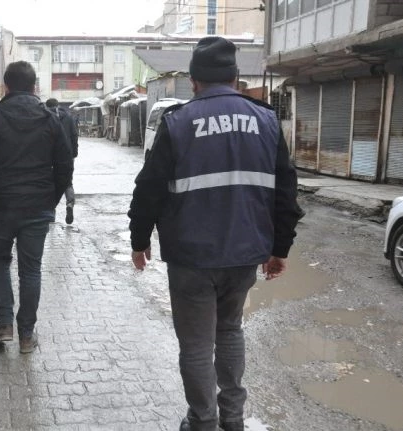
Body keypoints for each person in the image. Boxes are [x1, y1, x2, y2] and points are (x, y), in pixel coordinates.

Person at [128, 37, 300, 431]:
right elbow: (286, 191)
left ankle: (203, 421)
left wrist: (140, 240)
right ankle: (233, 419)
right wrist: (280, 248)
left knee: (196, 345)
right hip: (244, 253)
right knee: (230, 330)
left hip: (191, 257)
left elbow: (149, 188)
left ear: (193, 80)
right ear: (236, 77)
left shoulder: (177, 122)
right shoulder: (266, 120)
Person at [0, 61, 73, 353]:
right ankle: (26, 335)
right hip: (37, 207)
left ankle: (5, 324)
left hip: (0, 206)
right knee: (31, 269)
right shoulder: (50, 120)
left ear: (6, 86)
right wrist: (50, 199)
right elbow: (65, 166)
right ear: (34, 86)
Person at [45, 98, 79, 224]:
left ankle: (51, 210)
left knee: (49, 182)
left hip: (49, 155)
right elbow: (74, 135)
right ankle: (69, 204)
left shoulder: (45, 117)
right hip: (66, 154)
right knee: (67, 182)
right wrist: (74, 152)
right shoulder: (68, 117)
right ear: (58, 105)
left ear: (47, 106)